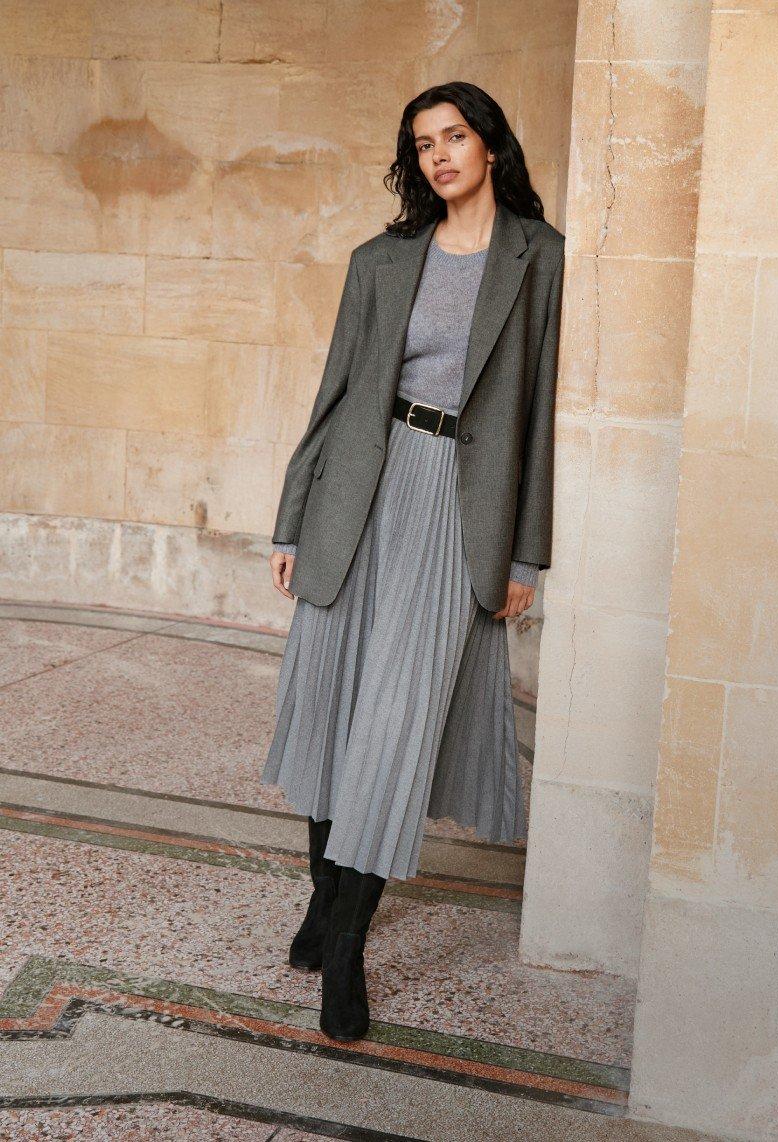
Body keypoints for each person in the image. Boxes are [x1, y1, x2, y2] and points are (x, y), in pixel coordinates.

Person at [261, 80, 565, 1043]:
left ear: (490, 147)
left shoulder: (540, 260)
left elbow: (542, 418)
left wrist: (527, 553)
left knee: (394, 727)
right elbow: (335, 392)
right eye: (423, 143)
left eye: (456, 137)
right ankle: (323, 898)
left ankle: (346, 947)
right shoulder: (381, 260)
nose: (439, 156)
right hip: (361, 489)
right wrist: (293, 521)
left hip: (456, 508)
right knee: (334, 707)